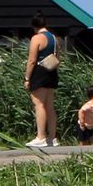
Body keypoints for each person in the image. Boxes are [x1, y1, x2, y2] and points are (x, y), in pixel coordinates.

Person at [25, 13, 60, 148]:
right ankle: (52, 137)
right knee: (49, 105)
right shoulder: (54, 38)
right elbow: (58, 58)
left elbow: (32, 60)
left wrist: (27, 77)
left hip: (39, 71)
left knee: (38, 104)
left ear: (34, 26)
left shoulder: (36, 38)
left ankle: (41, 137)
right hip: (51, 71)